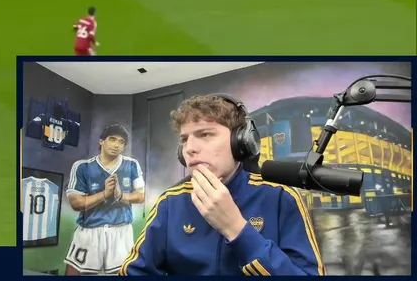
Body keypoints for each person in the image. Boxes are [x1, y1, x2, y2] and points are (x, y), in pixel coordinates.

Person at [120, 94, 323, 276]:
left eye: (205, 134)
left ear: (241, 142)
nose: (189, 148)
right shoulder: (170, 202)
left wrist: (236, 229)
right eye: (184, 139)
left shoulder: (281, 197)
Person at [64, 124, 144, 275]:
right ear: (101, 141)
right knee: (78, 272)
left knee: (122, 273)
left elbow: (140, 196)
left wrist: (120, 196)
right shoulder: (82, 167)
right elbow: (76, 202)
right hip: (90, 231)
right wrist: (104, 194)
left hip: (121, 231)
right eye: (112, 139)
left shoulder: (131, 165)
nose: (117, 145)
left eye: (121, 142)